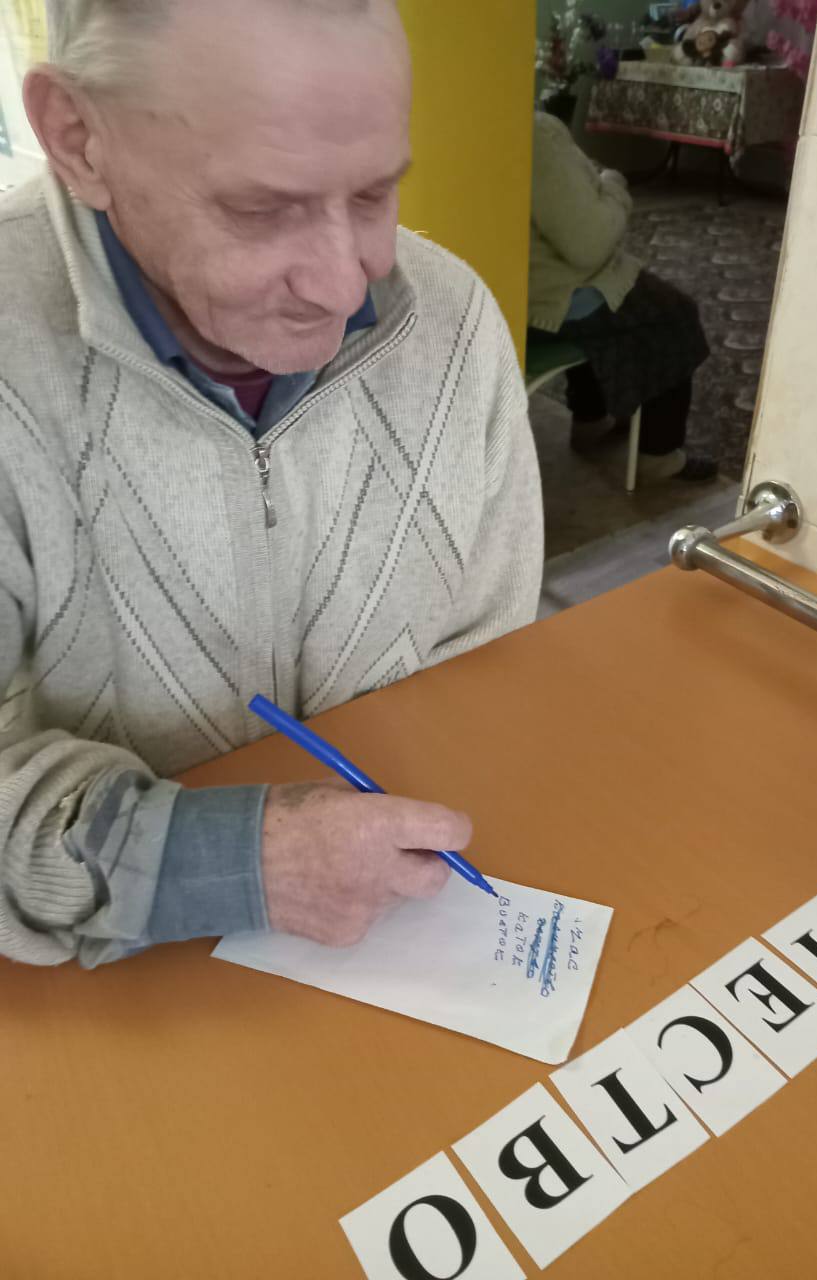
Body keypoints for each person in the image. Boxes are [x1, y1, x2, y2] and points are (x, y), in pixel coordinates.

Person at [0, 0, 543, 968]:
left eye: (375, 194)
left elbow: (491, 672)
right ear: (78, 137)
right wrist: (230, 862)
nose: (346, 286)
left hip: (404, 937)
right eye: (260, 210)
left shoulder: (451, 322)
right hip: (96, 1003)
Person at [528, 109, 716, 481]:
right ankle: (659, 454)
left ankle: (590, 418)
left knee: (608, 308)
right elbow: (589, 244)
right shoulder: (535, 133)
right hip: (549, 296)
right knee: (674, 314)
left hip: (509, 293)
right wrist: (613, 185)